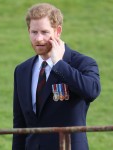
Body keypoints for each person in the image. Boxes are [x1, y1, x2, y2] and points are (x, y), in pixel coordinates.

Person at [12, 3, 101, 150]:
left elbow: (92, 91)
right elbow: (19, 124)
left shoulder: (82, 63)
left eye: (45, 32)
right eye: (34, 32)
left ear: (57, 31)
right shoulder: (22, 70)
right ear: (28, 31)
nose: (39, 39)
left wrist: (59, 64)